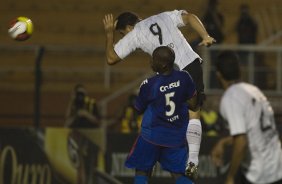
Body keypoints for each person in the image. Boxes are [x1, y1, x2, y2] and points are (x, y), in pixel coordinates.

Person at [103, 9, 216, 174]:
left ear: (128, 27)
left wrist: (108, 34)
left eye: (122, 33)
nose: (123, 37)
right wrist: (205, 35)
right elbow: (191, 17)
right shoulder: (164, 16)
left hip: (170, 77)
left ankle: (156, 155)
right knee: (194, 112)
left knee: (163, 117)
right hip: (192, 65)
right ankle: (192, 158)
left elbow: (111, 58)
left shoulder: (134, 34)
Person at [125, 46, 198, 184]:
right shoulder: (184, 77)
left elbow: (138, 109)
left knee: (142, 170)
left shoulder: (149, 85)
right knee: (179, 175)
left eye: (154, 59)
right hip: (175, 138)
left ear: (163, 64)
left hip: (151, 136)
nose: (151, 62)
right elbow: (194, 105)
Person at [211, 51, 282, 184]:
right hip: (277, 166)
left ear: (218, 74)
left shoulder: (230, 98)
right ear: (240, 70)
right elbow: (253, 130)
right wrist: (223, 142)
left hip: (259, 174)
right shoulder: (254, 90)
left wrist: (230, 177)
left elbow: (241, 141)